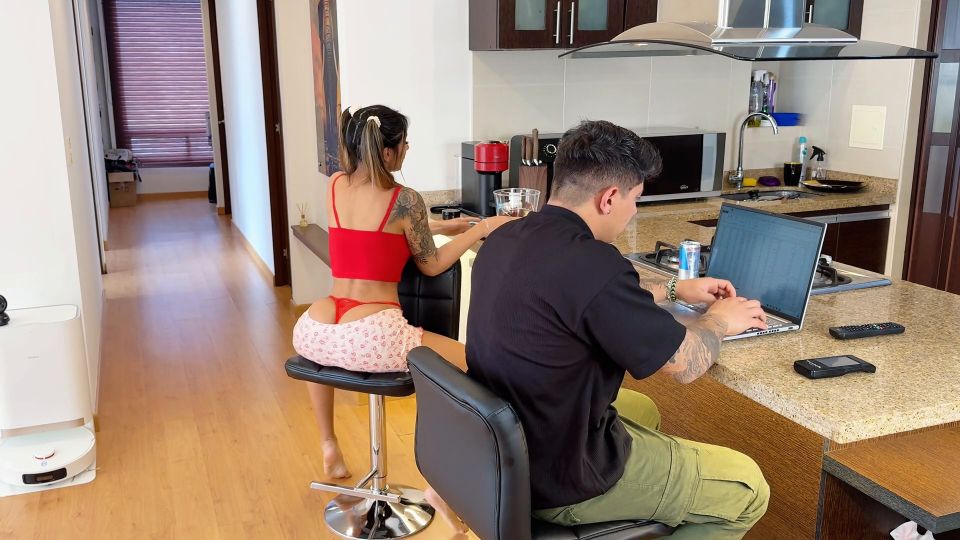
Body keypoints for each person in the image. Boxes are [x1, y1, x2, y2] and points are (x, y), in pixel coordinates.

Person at [465, 120, 771, 539]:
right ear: (609, 198)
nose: (634, 212)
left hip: (506, 447)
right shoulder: (595, 264)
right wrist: (721, 319)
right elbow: (685, 364)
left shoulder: (508, 237)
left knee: (644, 409)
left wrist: (675, 288)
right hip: (559, 476)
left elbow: (584, 298)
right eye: (636, 199)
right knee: (747, 489)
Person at [292, 105, 511, 533]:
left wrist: (441, 226)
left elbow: (374, 232)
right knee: (478, 365)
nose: (407, 150)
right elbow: (431, 264)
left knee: (325, 353)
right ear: (390, 152)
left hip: (318, 328)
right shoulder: (405, 199)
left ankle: (329, 444)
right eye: (405, 144)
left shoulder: (335, 184)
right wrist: (481, 229)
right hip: (371, 334)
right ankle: (445, 483)